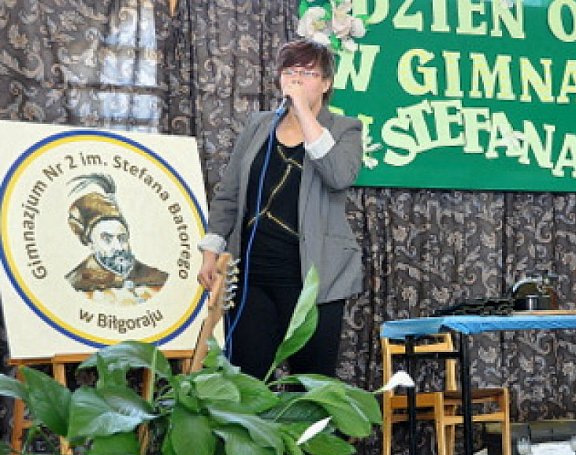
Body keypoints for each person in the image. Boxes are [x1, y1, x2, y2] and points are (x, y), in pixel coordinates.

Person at [197, 39, 363, 380]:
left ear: (326, 83)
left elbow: (338, 175)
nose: (297, 79)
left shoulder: (344, 129)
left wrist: (303, 111)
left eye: (308, 73)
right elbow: (229, 193)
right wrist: (211, 251)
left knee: (311, 385)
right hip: (253, 275)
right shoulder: (259, 126)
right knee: (246, 380)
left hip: (314, 279)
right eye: (290, 71)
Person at [65, 173, 168, 303]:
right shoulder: (76, 284)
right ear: (91, 244)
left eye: (122, 238)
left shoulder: (156, 278)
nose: (119, 247)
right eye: (107, 239)